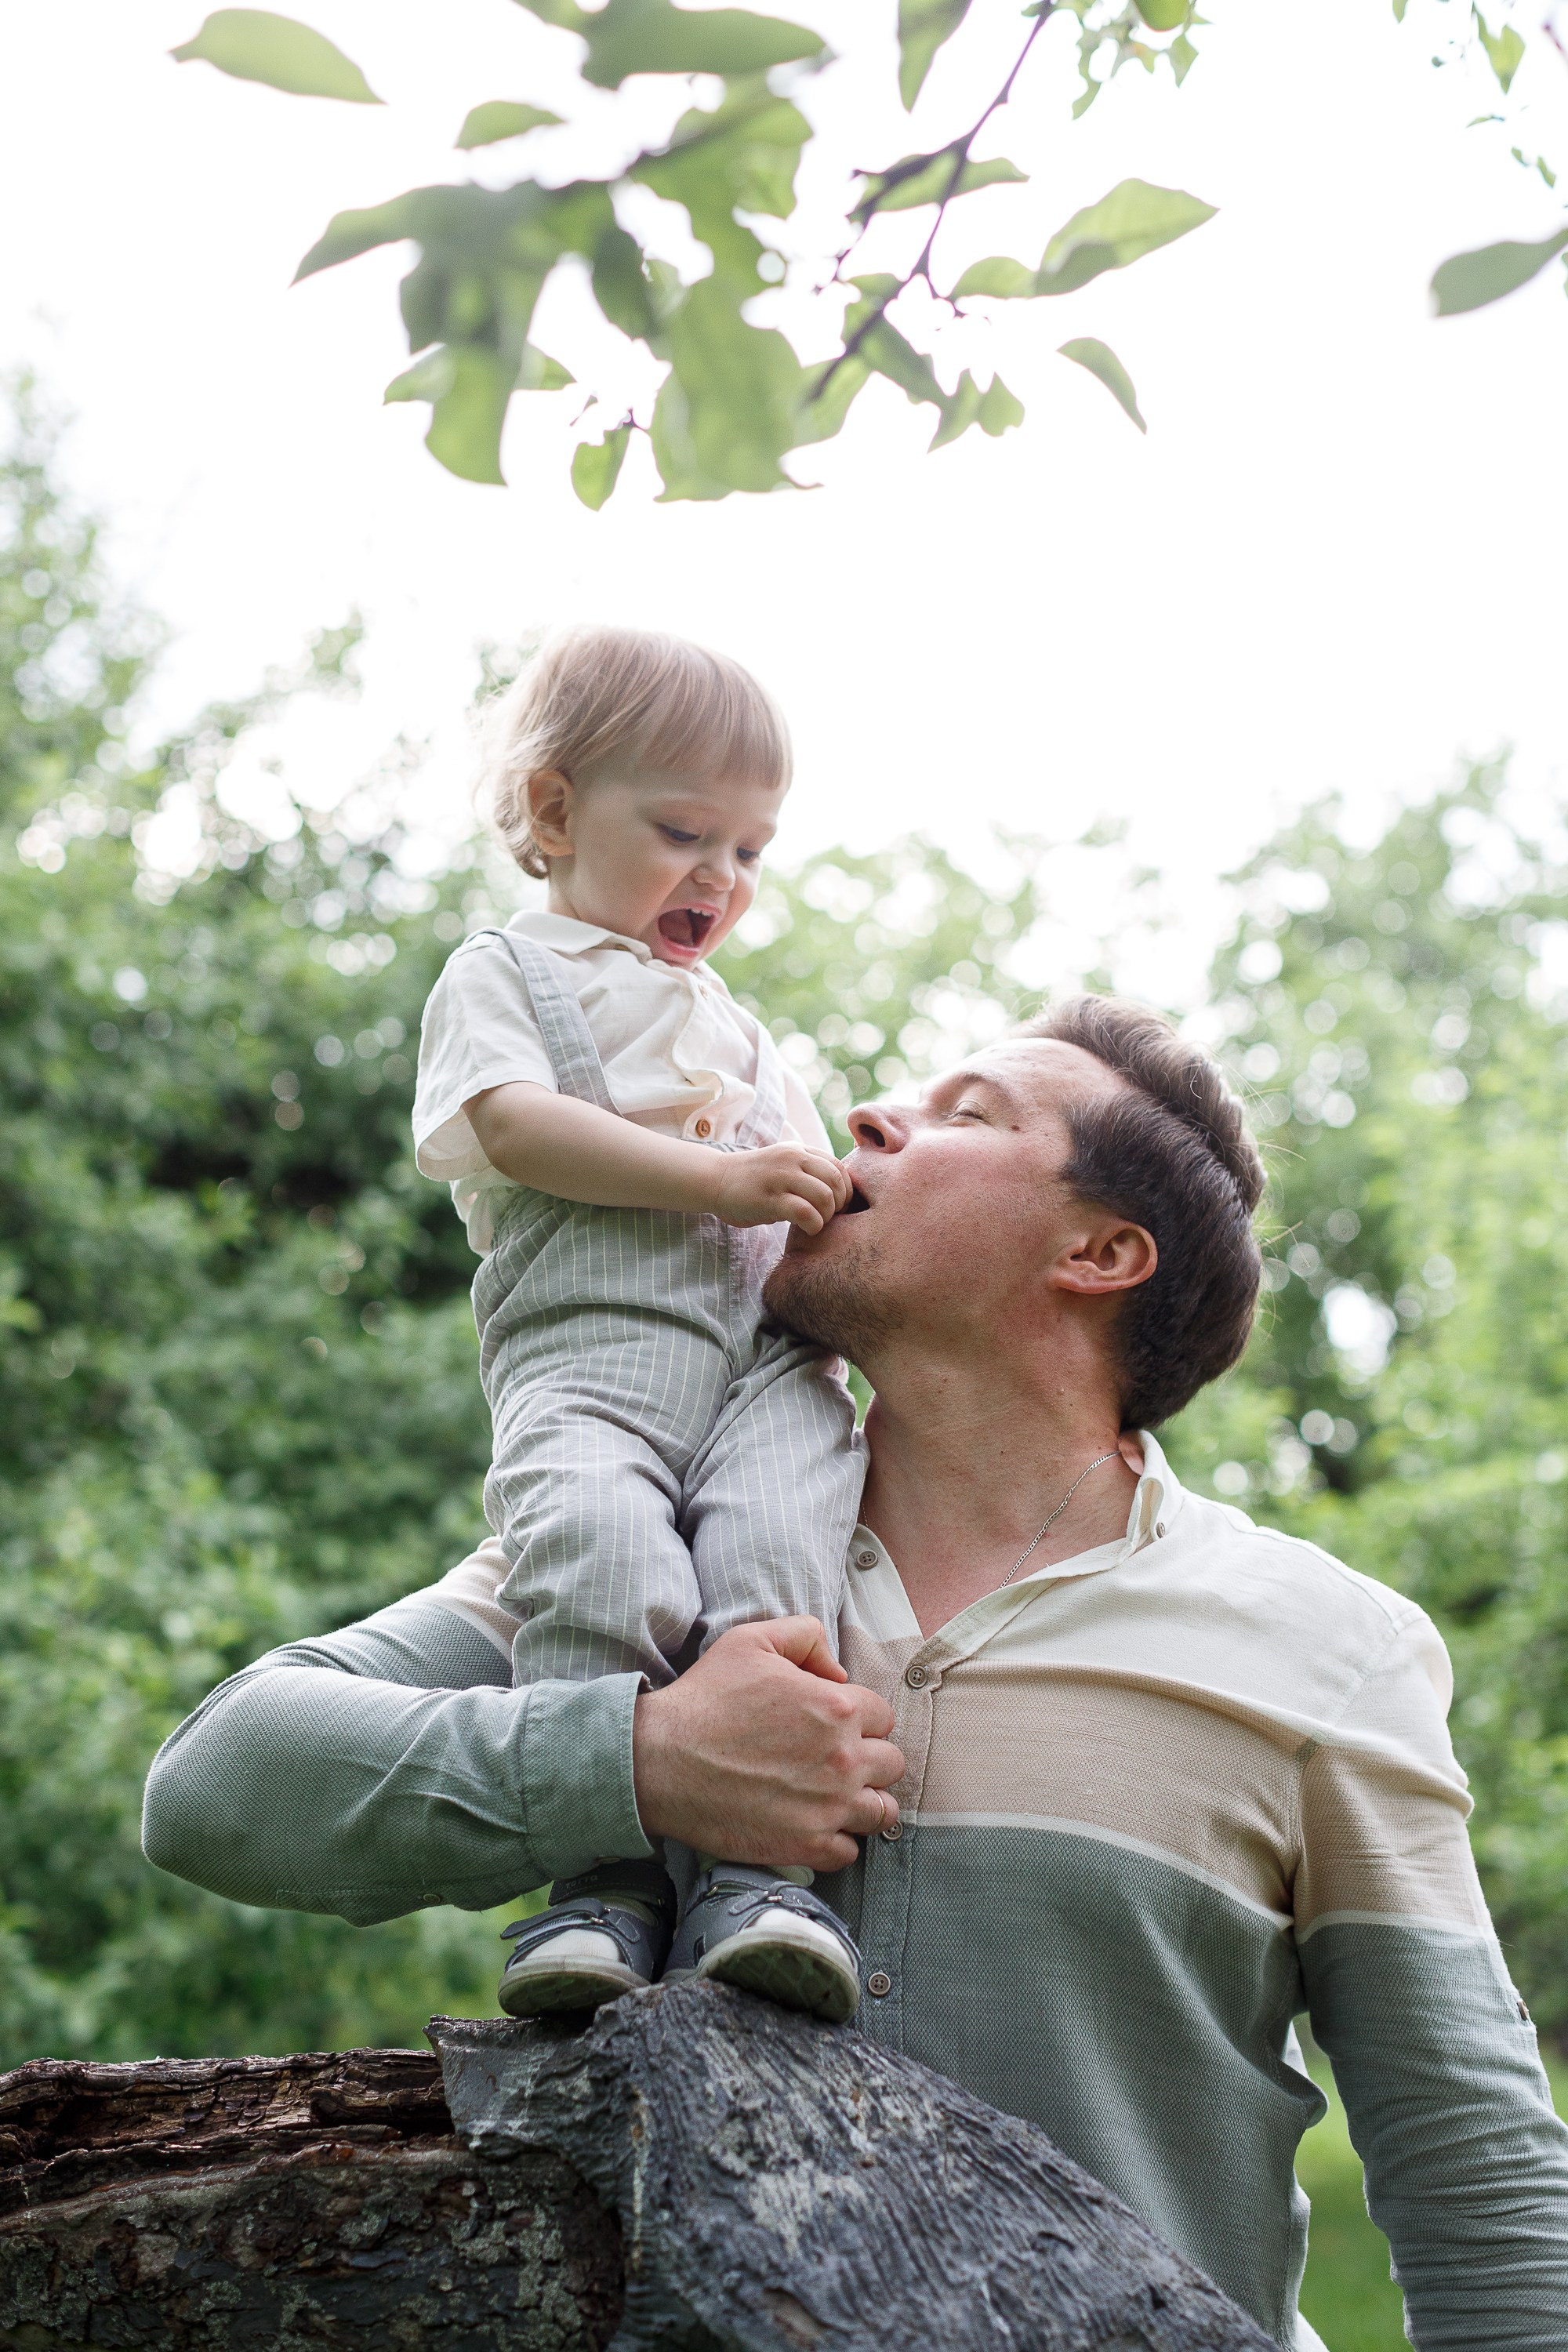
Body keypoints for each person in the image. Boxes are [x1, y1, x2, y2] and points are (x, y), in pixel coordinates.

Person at [143, 996, 1568, 2350]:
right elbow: (218, 1784)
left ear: (1101, 1253)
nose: (872, 1114)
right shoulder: (646, 1551)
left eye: (968, 1112)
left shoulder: (1331, 1648)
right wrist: (639, 1758)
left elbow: (1479, 2178)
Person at [408, 623, 865, 2023]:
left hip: (758, 1371)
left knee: (780, 1557)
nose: (721, 879)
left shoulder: (737, 1025)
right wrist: (720, 1176)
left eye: (752, 850)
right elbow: (507, 1124)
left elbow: (804, 1203)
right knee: (593, 1558)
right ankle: (602, 1888)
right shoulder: (510, 975)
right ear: (551, 812)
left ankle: (760, 1881)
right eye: (685, 831)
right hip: (595, 1364)